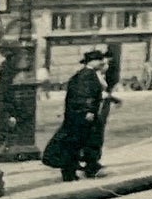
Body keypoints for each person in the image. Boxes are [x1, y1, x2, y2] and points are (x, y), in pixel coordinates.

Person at [41, 49, 120, 181]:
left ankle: (83, 169)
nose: (101, 62)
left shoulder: (86, 74)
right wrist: (89, 111)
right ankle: (76, 171)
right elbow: (85, 94)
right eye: (99, 60)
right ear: (92, 62)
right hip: (82, 115)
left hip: (78, 115)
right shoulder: (87, 75)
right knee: (78, 142)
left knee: (80, 142)